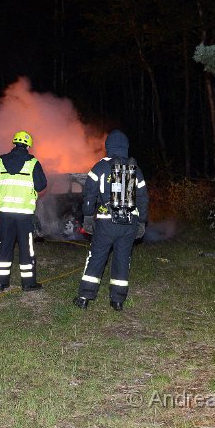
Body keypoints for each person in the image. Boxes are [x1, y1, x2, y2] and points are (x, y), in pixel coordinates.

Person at [73, 130, 148, 311]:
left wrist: (88, 217)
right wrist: (141, 222)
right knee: (122, 260)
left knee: (97, 258)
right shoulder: (135, 170)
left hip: (106, 223)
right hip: (129, 224)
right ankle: (117, 301)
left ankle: (84, 297)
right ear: (126, 148)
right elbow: (144, 199)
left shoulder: (99, 168)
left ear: (108, 147)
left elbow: (89, 195)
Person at [0, 131, 47, 292]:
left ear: (14, 143)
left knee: (4, 246)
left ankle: (1, 283)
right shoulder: (32, 162)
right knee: (26, 248)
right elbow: (41, 185)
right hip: (24, 215)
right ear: (28, 145)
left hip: (5, 213)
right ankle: (28, 283)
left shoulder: (1, 161)